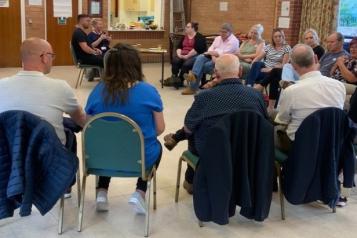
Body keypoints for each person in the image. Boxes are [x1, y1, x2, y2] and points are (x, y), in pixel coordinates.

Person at [164, 54, 267, 193]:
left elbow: (188, 129)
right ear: (240, 71)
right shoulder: (256, 95)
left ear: (215, 73)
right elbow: (265, 122)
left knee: (193, 131)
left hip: (213, 152)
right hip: (248, 149)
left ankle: (191, 180)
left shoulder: (205, 97)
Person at [85, 43, 165, 214]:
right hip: (138, 158)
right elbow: (159, 129)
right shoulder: (148, 91)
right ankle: (139, 192)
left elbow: (88, 127)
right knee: (157, 147)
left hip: (101, 159)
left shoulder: (97, 91)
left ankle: (101, 192)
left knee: (109, 142)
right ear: (136, 65)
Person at [0, 37, 86, 145]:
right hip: (50, 158)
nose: (52, 60)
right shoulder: (60, 87)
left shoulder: (1, 85)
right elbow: (81, 119)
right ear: (44, 57)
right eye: (52, 55)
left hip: (8, 156)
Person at [274, 44, 345, 153]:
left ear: (293, 65)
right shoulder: (339, 86)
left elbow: (282, 121)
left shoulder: (291, 91)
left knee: (266, 129)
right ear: (316, 59)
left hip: (299, 146)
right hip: (331, 144)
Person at [182, 23, 240, 95]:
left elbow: (224, 53)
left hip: (225, 60)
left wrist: (213, 54)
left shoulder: (234, 41)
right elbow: (211, 48)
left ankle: (193, 86)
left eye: (224, 32)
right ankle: (194, 76)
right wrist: (213, 56)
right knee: (200, 57)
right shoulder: (218, 38)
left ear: (230, 32)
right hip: (213, 57)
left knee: (202, 65)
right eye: (221, 31)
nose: (222, 34)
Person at [247, 28, 291, 110]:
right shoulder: (268, 47)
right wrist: (252, 64)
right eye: (275, 37)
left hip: (275, 71)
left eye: (280, 36)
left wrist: (270, 69)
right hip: (264, 69)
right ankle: (249, 86)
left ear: (283, 37)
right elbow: (258, 57)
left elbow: (284, 65)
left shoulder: (287, 48)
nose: (278, 38)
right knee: (257, 64)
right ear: (273, 38)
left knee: (274, 77)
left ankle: (254, 90)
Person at [165, 22, 207, 89]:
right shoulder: (185, 36)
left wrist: (187, 56)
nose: (186, 28)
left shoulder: (199, 37)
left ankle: (181, 79)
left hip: (194, 55)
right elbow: (179, 47)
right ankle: (175, 78)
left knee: (186, 64)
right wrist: (179, 54)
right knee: (175, 60)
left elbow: (197, 50)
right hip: (183, 54)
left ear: (193, 28)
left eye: (188, 27)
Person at [71, 14, 104, 81]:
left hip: (86, 56)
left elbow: (87, 46)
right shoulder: (78, 33)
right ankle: (108, 81)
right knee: (107, 60)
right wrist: (95, 52)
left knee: (107, 57)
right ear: (81, 21)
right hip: (84, 58)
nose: (89, 23)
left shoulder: (81, 32)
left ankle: (106, 79)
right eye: (88, 21)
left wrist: (95, 49)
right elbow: (85, 48)